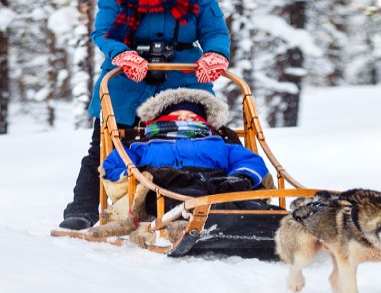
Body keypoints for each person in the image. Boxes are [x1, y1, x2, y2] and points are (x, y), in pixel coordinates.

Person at [58, 0, 233, 231]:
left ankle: (204, 199)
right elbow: (103, 33)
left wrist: (215, 54)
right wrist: (123, 55)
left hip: (183, 78)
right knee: (106, 145)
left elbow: (215, 32)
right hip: (127, 80)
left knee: (196, 140)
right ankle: (83, 208)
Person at [101, 88, 267, 217]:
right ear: (159, 120)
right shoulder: (143, 145)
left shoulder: (220, 143)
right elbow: (114, 165)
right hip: (166, 186)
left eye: (192, 117)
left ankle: (265, 222)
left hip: (218, 183)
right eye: (176, 115)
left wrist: (241, 176)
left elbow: (249, 160)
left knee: (246, 201)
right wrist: (143, 174)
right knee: (183, 200)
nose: (184, 119)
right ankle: (197, 220)